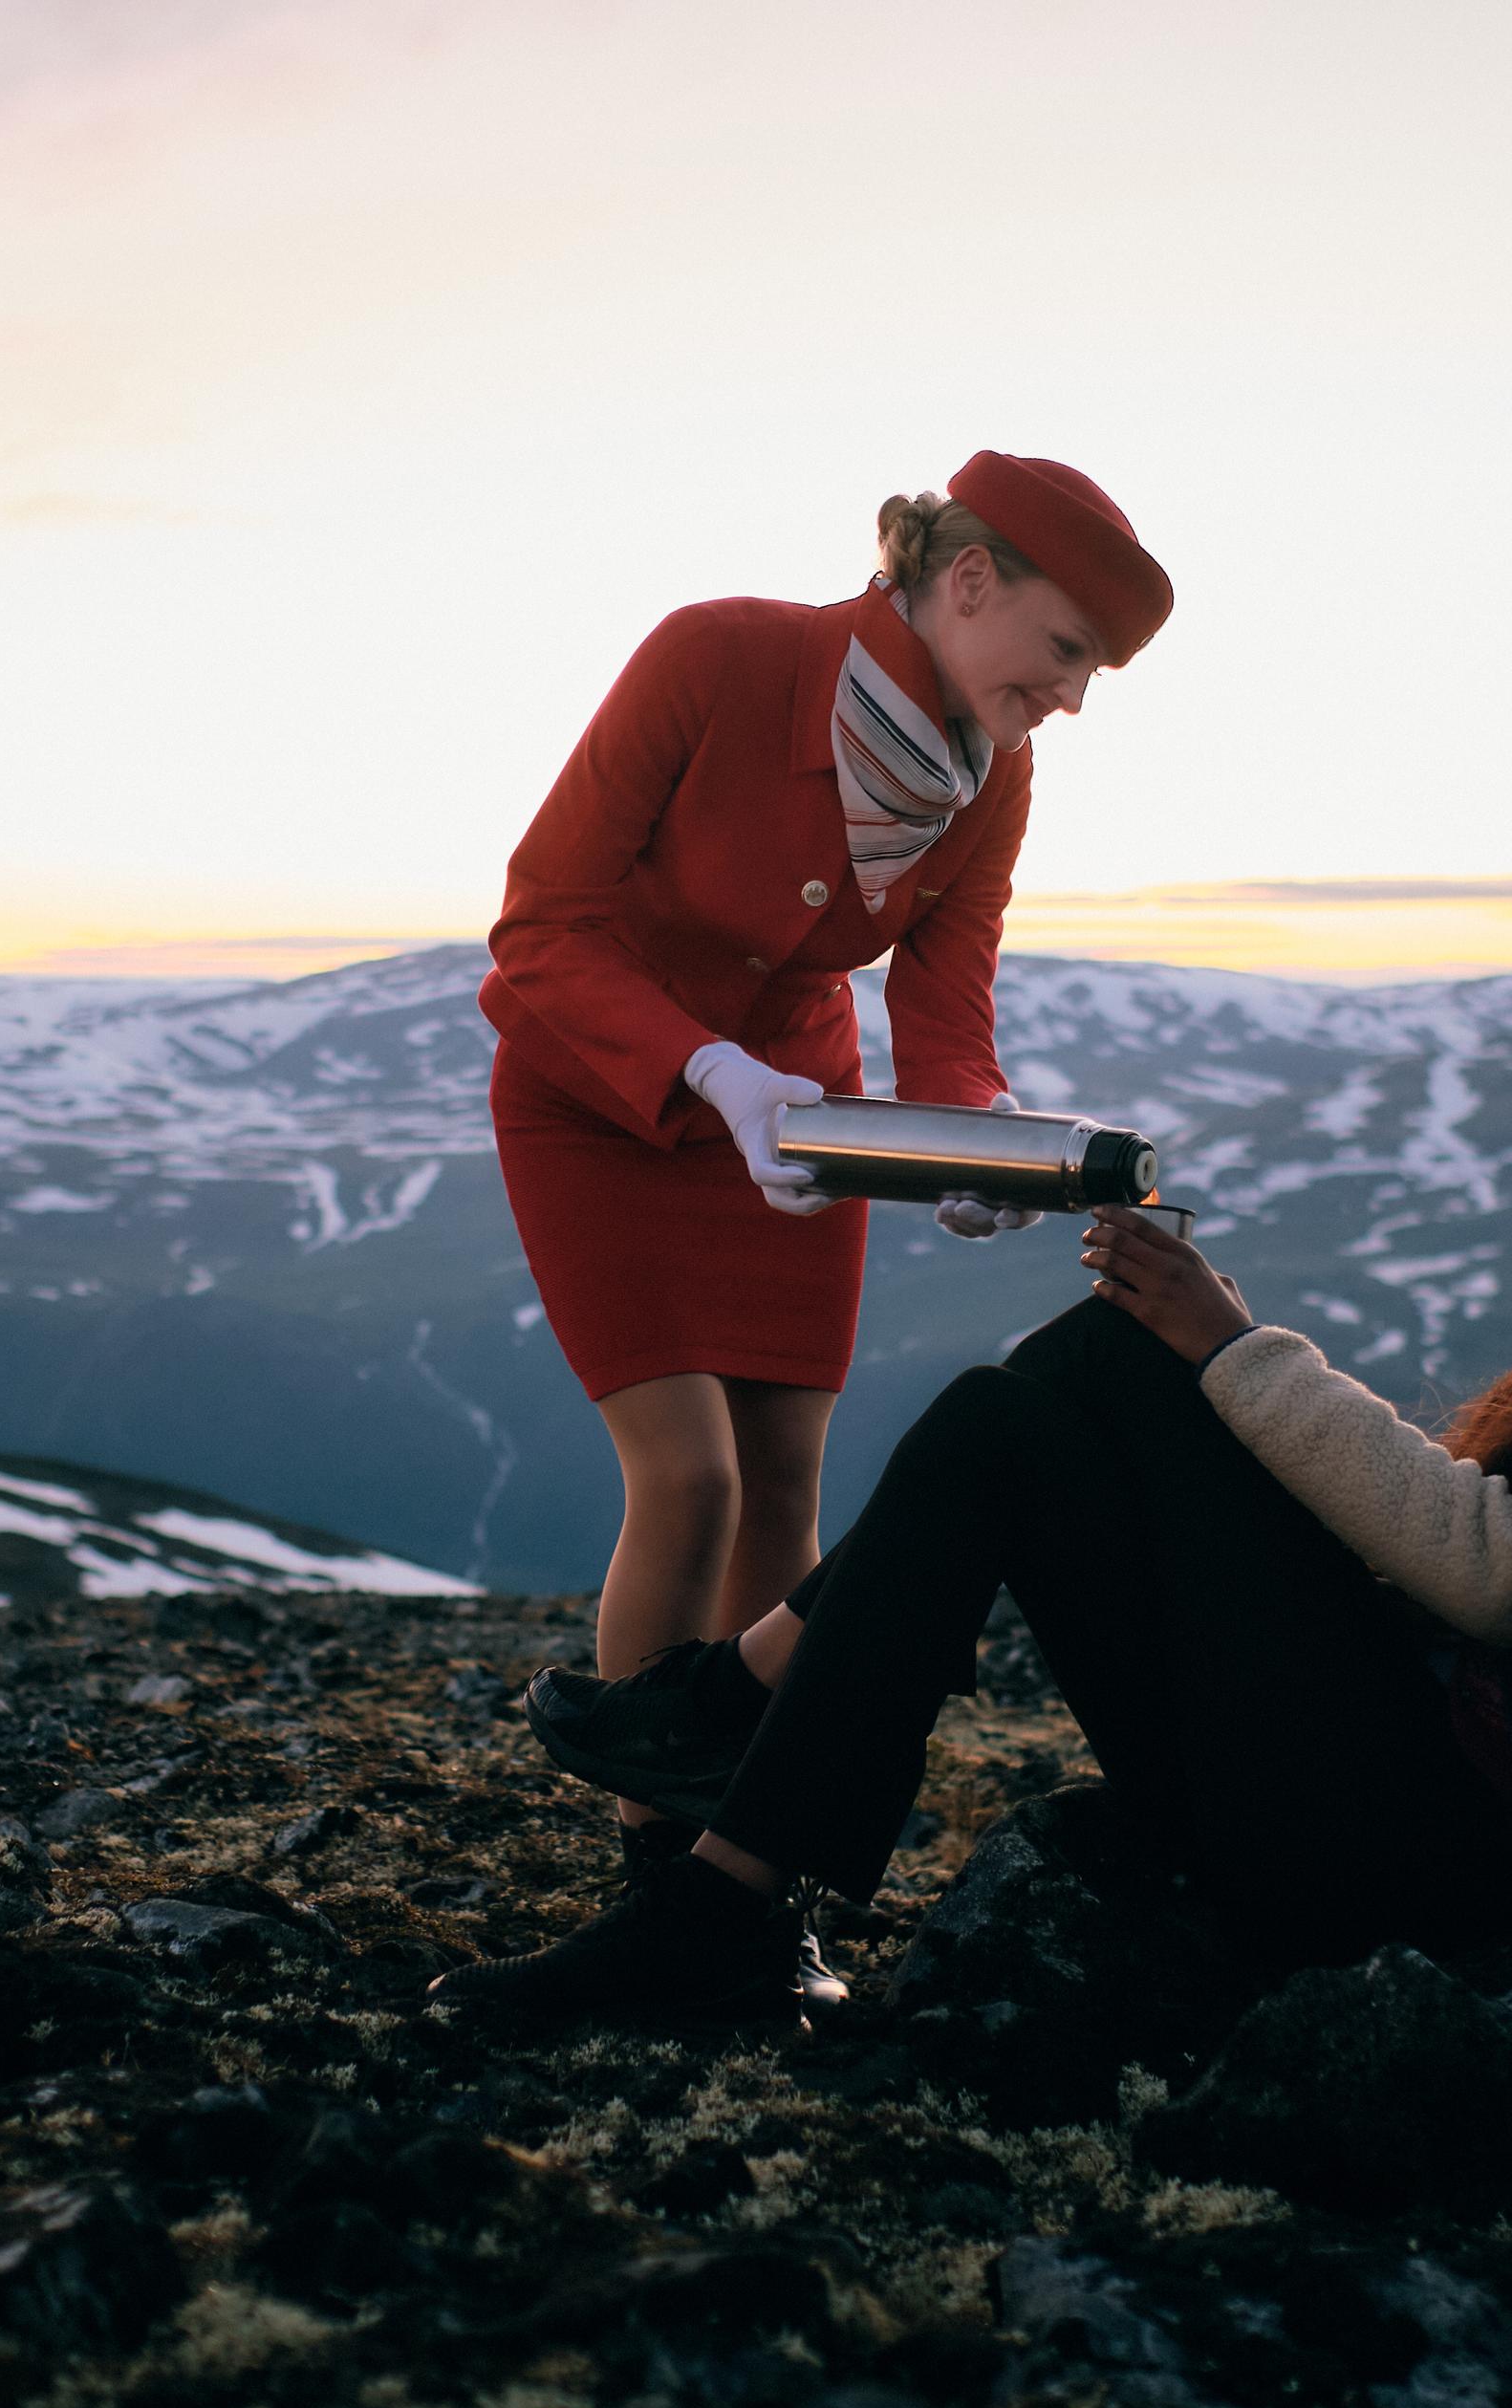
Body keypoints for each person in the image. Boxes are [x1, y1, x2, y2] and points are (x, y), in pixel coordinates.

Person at [434, 1028, 1512, 2019]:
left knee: (1103, 1365)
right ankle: (730, 1875)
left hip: (1494, 1885)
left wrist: (1235, 1353)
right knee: (1014, 1415)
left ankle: (727, 1752)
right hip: (1388, 1804)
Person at [475, 453, 1176, 1994]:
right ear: (973, 581)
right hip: (598, 1098)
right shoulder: (717, 657)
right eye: (1066, 653)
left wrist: (969, 1138)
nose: (1069, 697)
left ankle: (750, 1873)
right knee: (691, 1473)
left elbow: (946, 984)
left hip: (803, 1114)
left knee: (787, 1476)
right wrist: (707, 1074)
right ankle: (663, 1878)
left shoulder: (991, 775)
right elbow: (540, 921)